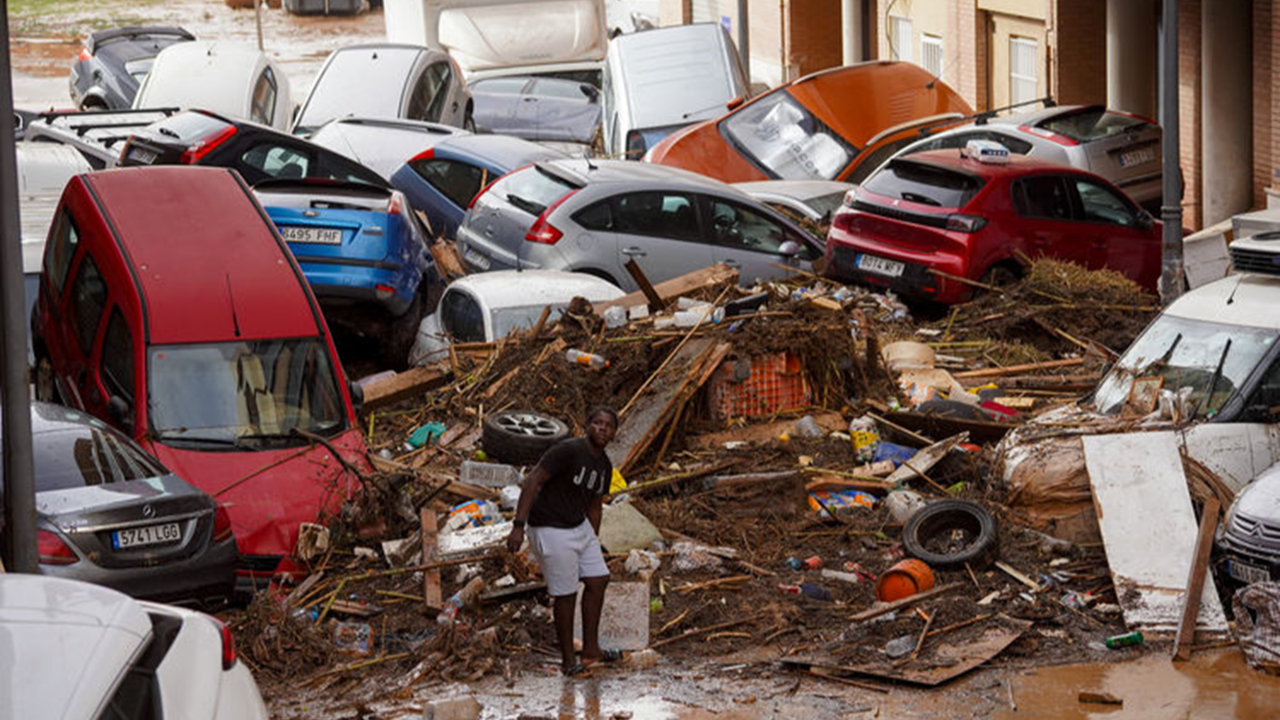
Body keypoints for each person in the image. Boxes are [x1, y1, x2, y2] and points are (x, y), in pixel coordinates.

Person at [506, 406, 622, 676]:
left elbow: (595, 505)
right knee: (566, 593)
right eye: (597, 423)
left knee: (598, 579)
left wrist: (592, 539)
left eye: (608, 425)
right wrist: (518, 526)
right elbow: (533, 481)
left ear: (614, 433)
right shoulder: (568, 450)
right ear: (587, 425)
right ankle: (569, 661)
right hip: (549, 526)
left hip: (578, 526)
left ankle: (592, 651)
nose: (602, 428)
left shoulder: (604, 465)